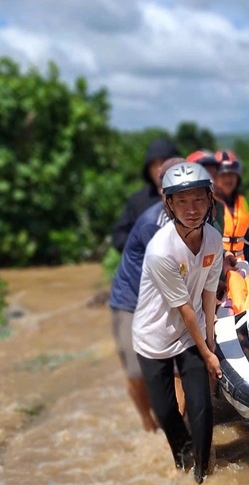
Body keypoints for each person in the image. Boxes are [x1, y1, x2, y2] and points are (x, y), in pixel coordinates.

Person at [133, 161, 224, 484]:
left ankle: (201, 479)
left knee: (201, 408)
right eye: (182, 201)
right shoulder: (161, 250)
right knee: (167, 412)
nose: (192, 209)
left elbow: (209, 293)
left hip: (191, 334)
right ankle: (181, 460)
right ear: (168, 204)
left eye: (198, 199)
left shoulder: (214, 240)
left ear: (210, 200)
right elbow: (184, 307)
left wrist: (210, 342)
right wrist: (210, 353)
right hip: (153, 336)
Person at [109, 157, 188, 434]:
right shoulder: (150, 223)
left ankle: (177, 439)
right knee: (135, 373)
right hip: (131, 302)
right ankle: (148, 424)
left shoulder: (194, 215)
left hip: (164, 296)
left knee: (178, 372)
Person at [111, 136, 180, 252]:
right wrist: (142, 245)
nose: (159, 168)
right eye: (154, 164)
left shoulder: (191, 195)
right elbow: (119, 236)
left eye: (163, 162)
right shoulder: (138, 201)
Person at [212, 149, 249, 265]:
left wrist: (247, 264)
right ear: (215, 178)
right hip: (217, 266)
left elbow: (246, 240)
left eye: (231, 175)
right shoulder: (208, 203)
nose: (228, 179)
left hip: (240, 263)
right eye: (223, 175)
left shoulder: (242, 201)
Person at [188, 150, 226, 234]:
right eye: (207, 175)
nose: (213, 181)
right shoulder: (184, 213)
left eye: (215, 174)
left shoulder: (220, 207)